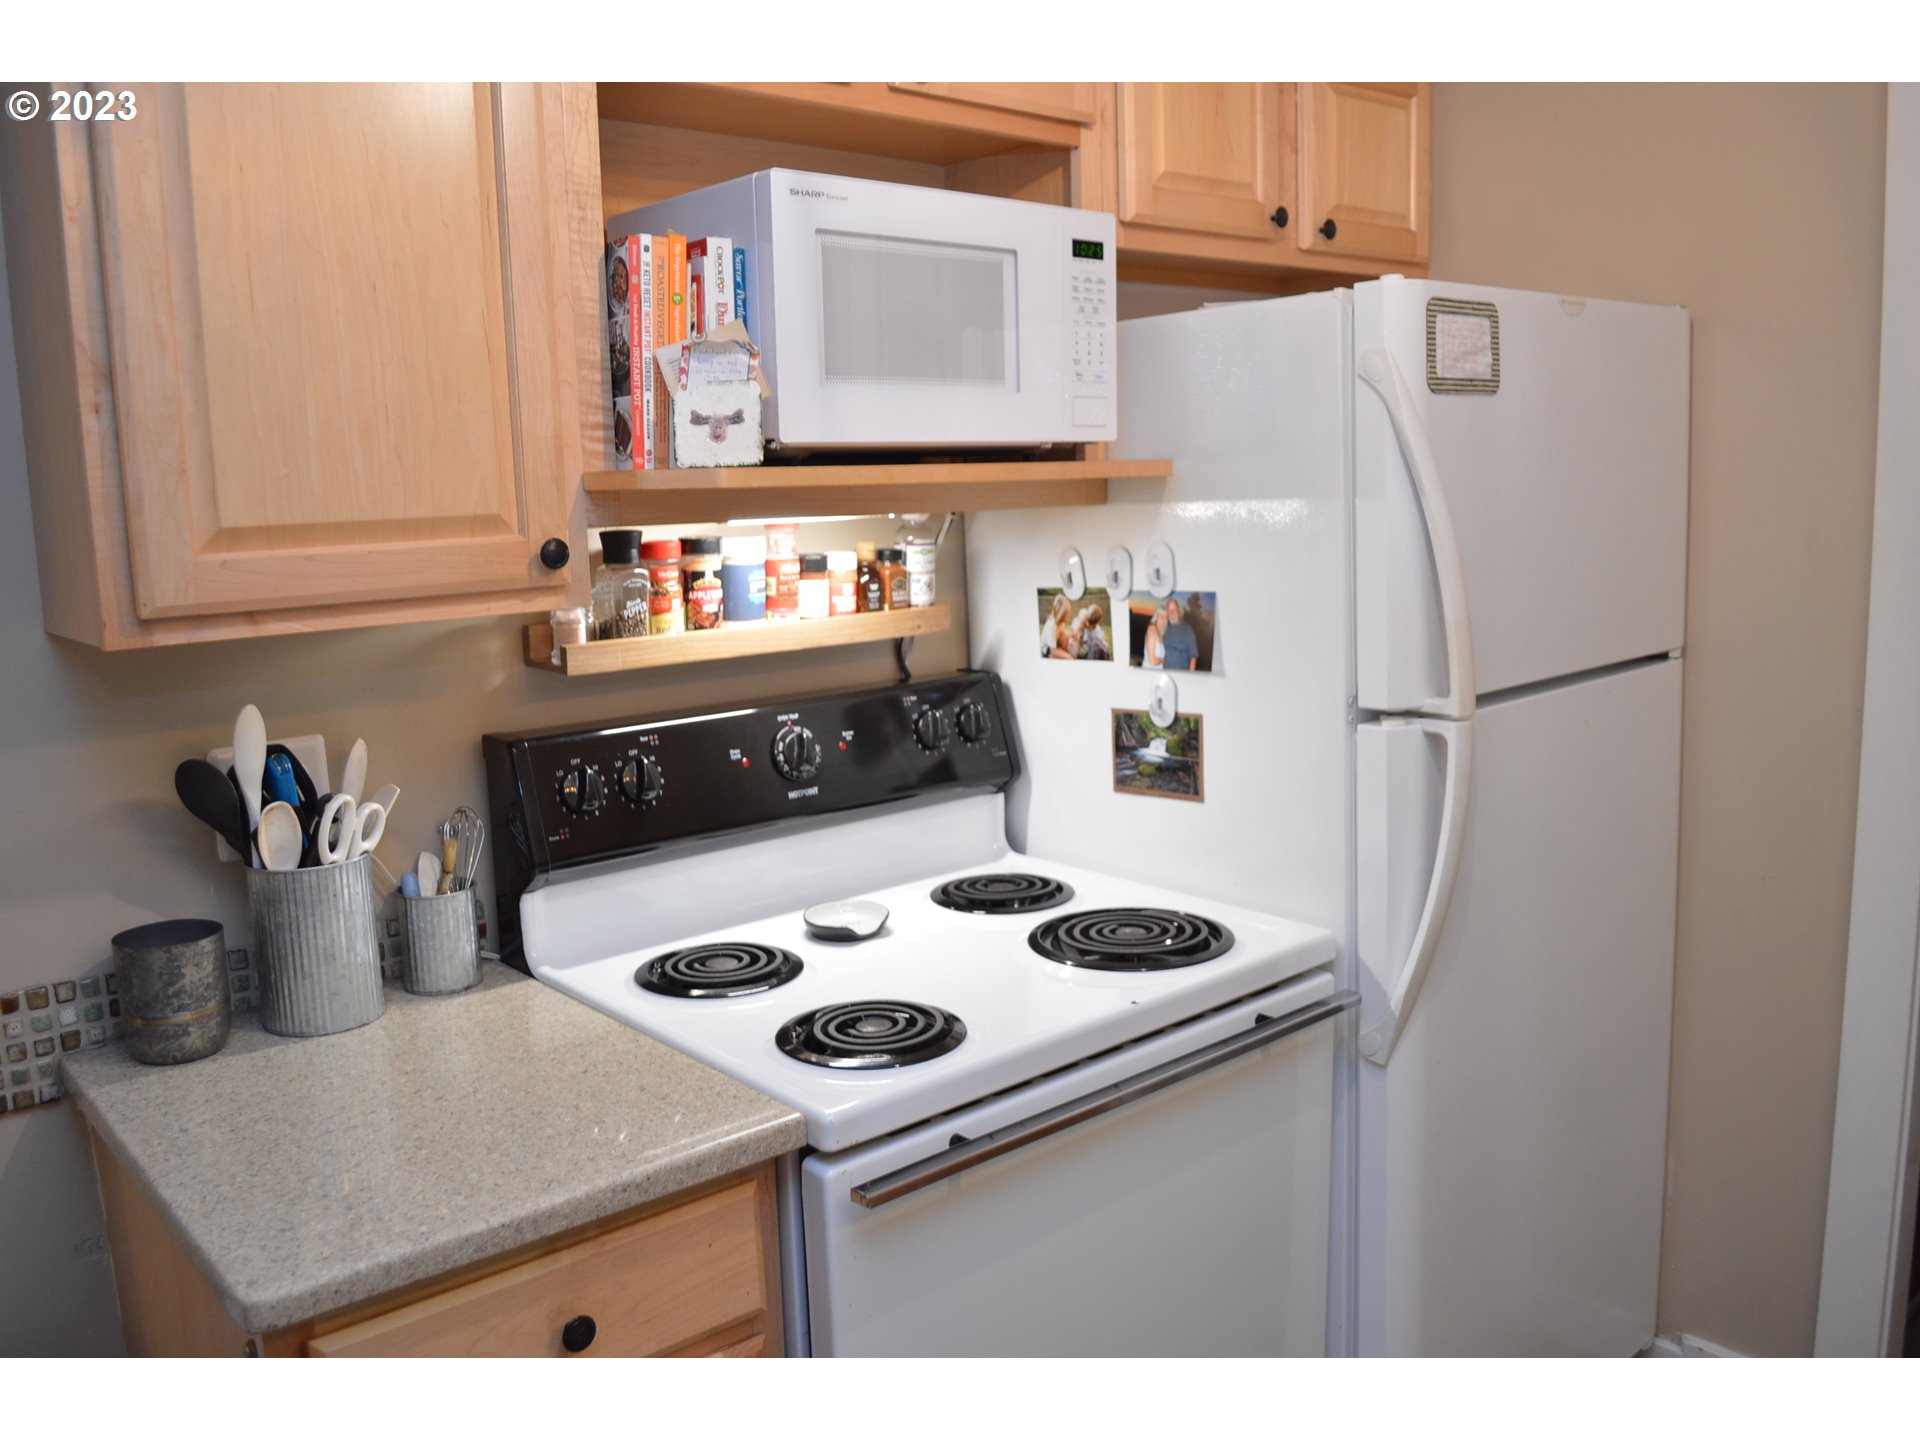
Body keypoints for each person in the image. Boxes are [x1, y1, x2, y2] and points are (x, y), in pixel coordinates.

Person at [1159, 596, 1200, 673]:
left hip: (1181, 674)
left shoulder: (1187, 629)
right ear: (1167, 612)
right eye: (1170, 610)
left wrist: (1191, 676)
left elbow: (1193, 656)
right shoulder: (1165, 627)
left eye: (1174, 609)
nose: (1172, 612)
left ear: (1178, 610)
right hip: (1165, 673)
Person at [1042, 593, 1073, 658]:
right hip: (1048, 650)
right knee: (1067, 657)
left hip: (1055, 644)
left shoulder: (1061, 623)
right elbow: (1052, 651)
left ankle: (1063, 653)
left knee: (1065, 636)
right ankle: (1059, 657)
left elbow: (1063, 635)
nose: (1066, 619)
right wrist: (1068, 657)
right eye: (1064, 616)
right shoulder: (1051, 626)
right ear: (1059, 615)